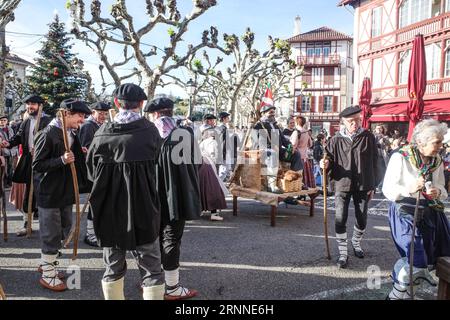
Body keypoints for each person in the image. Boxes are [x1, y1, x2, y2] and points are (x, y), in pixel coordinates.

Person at [86, 84, 165, 300]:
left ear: (116, 104)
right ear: (141, 104)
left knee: (112, 265)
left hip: (109, 208)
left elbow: (91, 172)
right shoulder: (150, 132)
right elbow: (158, 165)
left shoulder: (102, 132)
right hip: (143, 205)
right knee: (151, 267)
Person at [383, 119, 449, 300]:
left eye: (441, 142)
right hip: (404, 211)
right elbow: (387, 189)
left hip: (430, 212)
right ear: (421, 142)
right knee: (416, 257)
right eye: (437, 142)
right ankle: (394, 297)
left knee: (429, 259)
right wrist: (410, 188)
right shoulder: (400, 157)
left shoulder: (437, 160)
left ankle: (404, 293)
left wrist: (438, 192)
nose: (440, 146)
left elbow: (442, 188)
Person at [144, 97, 201, 300]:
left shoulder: (147, 134)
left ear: (156, 114)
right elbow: (197, 163)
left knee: (152, 237)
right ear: (170, 112)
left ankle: (153, 282)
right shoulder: (184, 134)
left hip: (150, 195)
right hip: (177, 195)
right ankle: (172, 287)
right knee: (171, 238)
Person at [32, 99, 91, 291]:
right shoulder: (48, 134)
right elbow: (37, 165)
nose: (82, 120)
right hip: (49, 193)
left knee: (64, 228)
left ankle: (49, 265)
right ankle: (48, 275)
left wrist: (78, 153)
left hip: (65, 192)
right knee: (51, 233)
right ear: (66, 113)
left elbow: (74, 159)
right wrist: (61, 160)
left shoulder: (71, 134)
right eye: (79, 116)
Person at [320, 106, 380, 269]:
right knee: (341, 218)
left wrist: (373, 185)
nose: (355, 123)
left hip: (363, 184)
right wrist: (325, 164)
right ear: (343, 122)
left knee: (362, 218)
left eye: (358, 120)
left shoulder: (368, 137)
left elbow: (376, 161)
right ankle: (343, 253)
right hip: (342, 183)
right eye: (351, 121)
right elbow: (328, 159)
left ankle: (356, 242)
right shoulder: (335, 140)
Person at [1, 94, 52, 236]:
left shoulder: (48, 121)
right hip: (29, 160)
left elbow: (53, 139)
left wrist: (42, 149)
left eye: (33, 104)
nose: (30, 106)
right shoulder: (26, 121)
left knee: (43, 191)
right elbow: (19, 136)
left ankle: (47, 225)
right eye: (28, 104)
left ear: (40, 106)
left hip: (44, 161)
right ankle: (26, 223)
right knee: (29, 191)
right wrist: (9, 143)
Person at [78, 101, 111, 247]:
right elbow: (87, 150)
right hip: (92, 171)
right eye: (100, 113)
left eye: (105, 113)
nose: (103, 116)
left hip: (102, 170)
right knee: (94, 202)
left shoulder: (102, 125)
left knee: (100, 202)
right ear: (93, 113)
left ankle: (97, 231)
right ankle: (90, 234)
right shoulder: (87, 126)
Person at [253, 104, 303, 193]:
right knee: (272, 153)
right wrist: (270, 146)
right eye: (271, 112)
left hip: (278, 151)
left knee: (296, 154)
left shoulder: (275, 125)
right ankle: (271, 185)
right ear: (263, 113)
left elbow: (283, 140)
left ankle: (296, 180)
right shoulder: (258, 125)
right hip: (265, 152)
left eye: (274, 112)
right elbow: (256, 143)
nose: (273, 114)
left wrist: (290, 146)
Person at [199, 128, 228, 221]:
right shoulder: (213, 142)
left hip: (201, 166)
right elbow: (213, 155)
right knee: (214, 190)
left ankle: (200, 209)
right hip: (209, 165)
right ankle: (214, 213)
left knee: (202, 187)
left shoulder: (202, 142)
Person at [291, 115, 315, 189]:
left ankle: (298, 193)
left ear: (296, 122)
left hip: (297, 157)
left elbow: (293, 145)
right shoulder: (306, 132)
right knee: (306, 178)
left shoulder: (296, 132)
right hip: (305, 157)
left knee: (297, 177)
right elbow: (310, 144)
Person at [0, 115, 18, 187]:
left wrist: (15, 150)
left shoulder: (10, 129)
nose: (3, 122)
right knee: (4, 169)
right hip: (3, 152)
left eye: (4, 120)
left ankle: (9, 182)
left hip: (11, 151)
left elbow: (14, 139)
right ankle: (3, 183)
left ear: (7, 121)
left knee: (11, 168)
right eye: (1, 120)